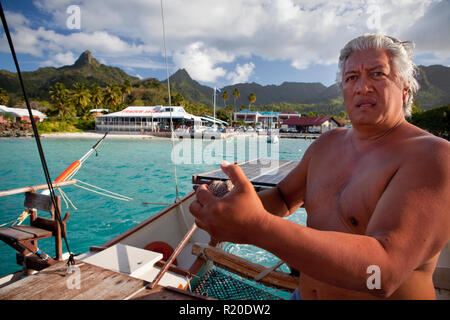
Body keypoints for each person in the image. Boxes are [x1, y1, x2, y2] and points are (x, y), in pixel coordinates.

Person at [189, 34, 450, 299]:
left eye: (377, 74)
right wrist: (229, 208)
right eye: (351, 78)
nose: (362, 87)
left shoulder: (433, 156)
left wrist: (256, 226)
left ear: (405, 87)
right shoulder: (327, 143)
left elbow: (381, 274)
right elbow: (283, 198)